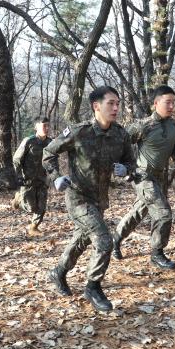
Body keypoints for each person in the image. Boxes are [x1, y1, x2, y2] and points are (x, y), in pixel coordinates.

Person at [44, 86, 135, 312]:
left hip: (100, 199)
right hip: (77, 198)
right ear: (96, 106)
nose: (116, 108)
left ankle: (58, 272)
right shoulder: (79, 132)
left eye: (117, 104)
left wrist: (126, 170)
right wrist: (56, 177)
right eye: (110, 103)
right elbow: (49, 152)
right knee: (104, 241)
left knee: (82, 240)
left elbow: (131, 163)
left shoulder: (121, 135)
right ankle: (93, 287)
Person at [113, 85, 175, 269]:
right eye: (167, 102)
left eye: (173, 103)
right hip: (142, 176)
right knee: (163, 214)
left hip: (160, 177)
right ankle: (157, 253)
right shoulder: (143, 125)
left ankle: (115, 239)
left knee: (139, 212)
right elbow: (120, 143)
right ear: (156, 103)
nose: (171, 106)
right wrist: (125, 167)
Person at [12, 116, 52, 237]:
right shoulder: (29, 141)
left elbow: (53, 160)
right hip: (28, 179)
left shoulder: (50, 142)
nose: (46, 128)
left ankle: (33, 227)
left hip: (42, 179)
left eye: (48, 125)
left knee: (42, 207)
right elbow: (17, 159)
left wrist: (53, 177)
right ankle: (18, 199)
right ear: (36, 127)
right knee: (30, 207)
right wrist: (19, 176)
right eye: (43, 125)